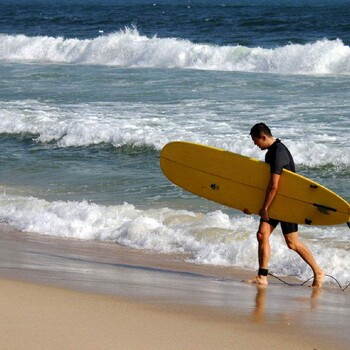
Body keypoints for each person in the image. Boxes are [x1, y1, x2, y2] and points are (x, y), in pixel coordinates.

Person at [247, 123, 324, 288]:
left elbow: (274, 185)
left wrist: (265, 208)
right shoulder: (272, 152)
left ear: (263, 137)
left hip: (287, 203)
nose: (255, 145)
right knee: (262, 235)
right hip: (275, 202)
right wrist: (252, 205)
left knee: (292, 243)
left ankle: (318, 271)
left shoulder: (278, 153)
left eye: (255, 141)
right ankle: (262, 276)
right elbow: (264, 184)